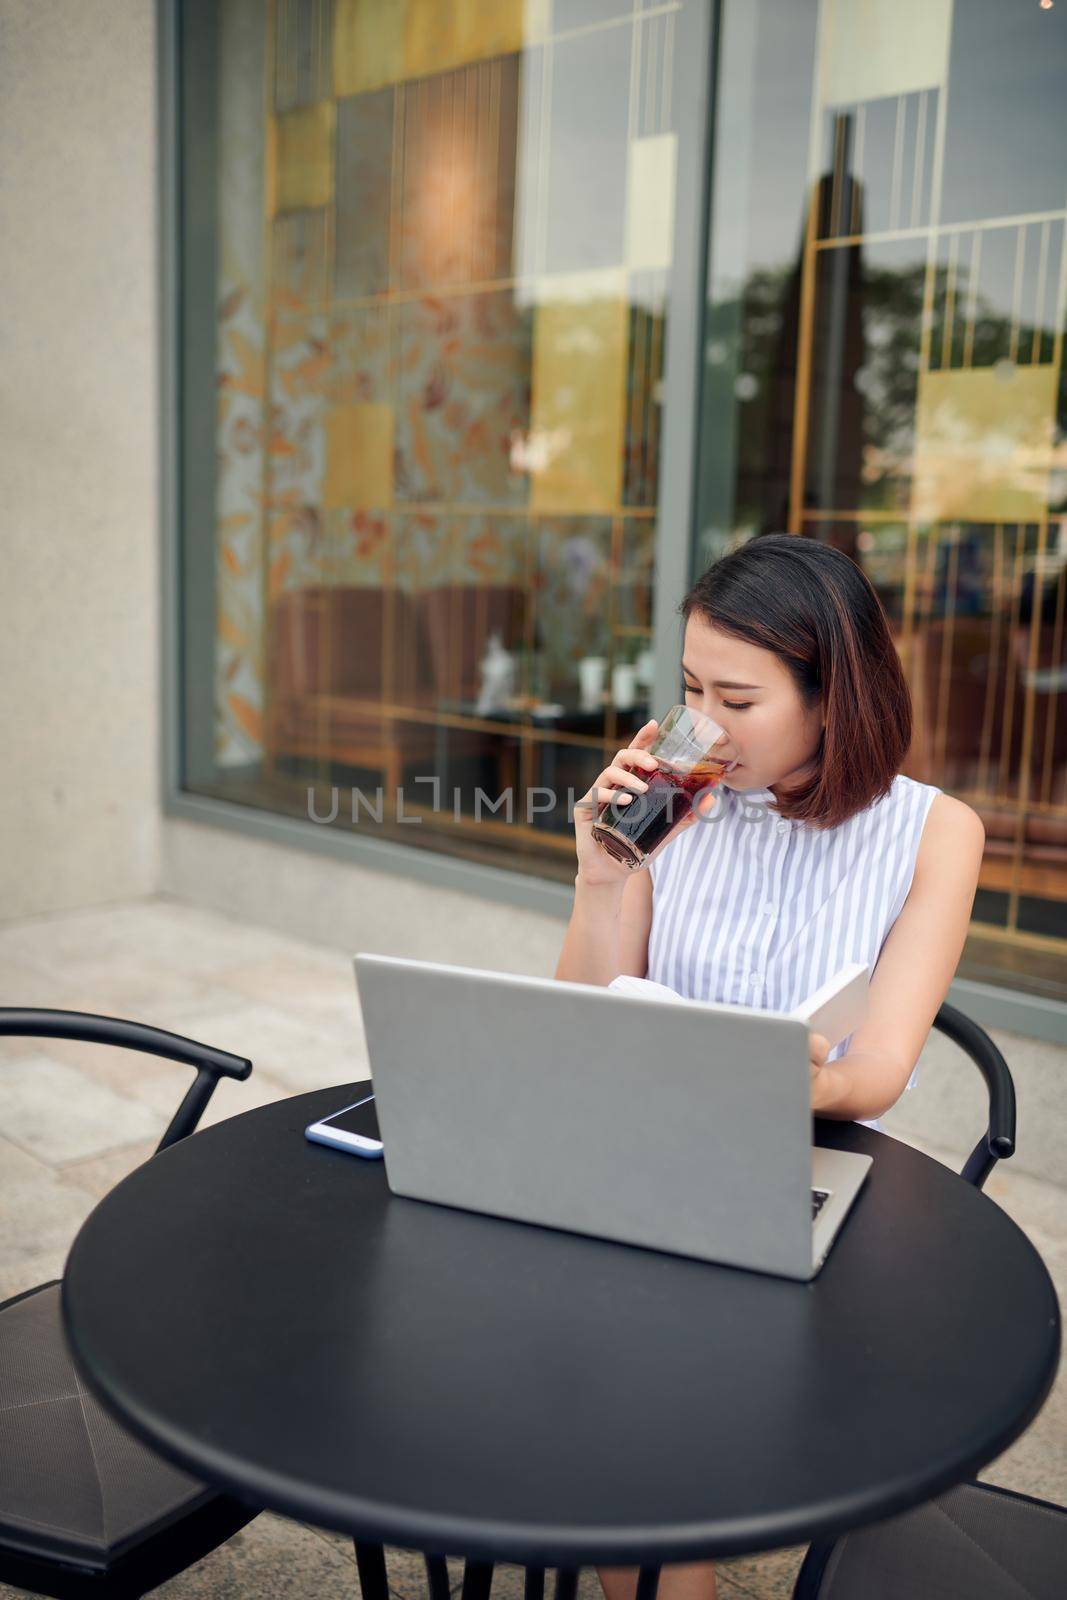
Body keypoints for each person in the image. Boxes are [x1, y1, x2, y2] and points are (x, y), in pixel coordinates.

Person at [554, 533, 985, 1600]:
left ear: (831, 696)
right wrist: (601, 881)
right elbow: (577, 1026)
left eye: (736, 699)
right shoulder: (677, 798)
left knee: (639, 1373)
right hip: (655, 1147)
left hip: (808, 1158)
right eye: (691, 686)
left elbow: (879, 1065)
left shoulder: (934, 833)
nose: (702, 721)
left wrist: (805, 1079)